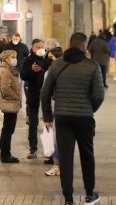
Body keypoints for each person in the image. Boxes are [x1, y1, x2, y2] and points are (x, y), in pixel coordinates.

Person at [41, 32, 104, 205]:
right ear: (84, 47)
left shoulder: (56, 65)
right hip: (84, 118)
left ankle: (68, 199)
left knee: (66, 159)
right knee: (87, 155)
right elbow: (99, 95)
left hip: (62, 118)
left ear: (69, 45)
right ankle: (90, 195)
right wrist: (90, 109)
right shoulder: (92, 66)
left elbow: (44, 93)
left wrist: (47, 117)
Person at [20, 39, 53, 159]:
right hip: (33, 94)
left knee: (48, 122)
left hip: (47, 95)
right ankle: (33, 149)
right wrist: (31, 70)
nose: (40, 49)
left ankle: (49, 150)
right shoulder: (29, 60)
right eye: (37, 47)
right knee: (33, 124)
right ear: (33, 48)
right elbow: (23, 75)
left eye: (42, 46)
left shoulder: (48, 58)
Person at [44, 46, 64, 176]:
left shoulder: (56, 71)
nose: (49, 60)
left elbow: (45, 95)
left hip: (60, 108)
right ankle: (58, 164)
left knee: (58, 138)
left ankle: (58, 165)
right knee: (55, 137)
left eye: (51, 58)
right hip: (58, 107)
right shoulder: (51, 71)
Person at [0, 50, 21, 163]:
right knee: (7, 130)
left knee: (8, 129)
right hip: (10, 103)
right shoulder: (5, 71)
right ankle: (5, 155)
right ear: (6, 58)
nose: (14, 59)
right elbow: (5, 89)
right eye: (12, 57)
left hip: (12, 103)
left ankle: (6, 154)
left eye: (15, 57)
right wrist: (16, 96)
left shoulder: (10, 70)